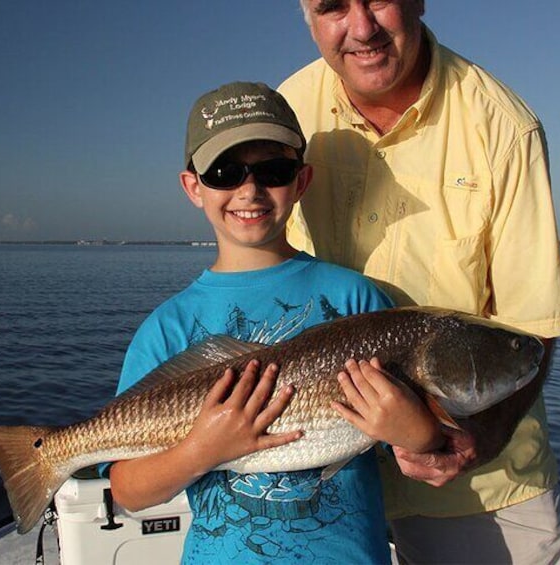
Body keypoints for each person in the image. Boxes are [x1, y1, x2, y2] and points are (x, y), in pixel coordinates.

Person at [278, 1, 560, 563]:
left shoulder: (504, 127)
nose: (362, 28)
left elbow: (533, 331)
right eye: (333, 7)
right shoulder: (288, 111)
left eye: (380, 0)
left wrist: (474, 443)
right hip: (319, 480)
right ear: (307, 16)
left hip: (479, 494)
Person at [107, 81, 442, 564]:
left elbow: (412, 448)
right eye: (224, 172)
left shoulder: (359, 299)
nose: (250, 189)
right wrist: (202, 449)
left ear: (301, 181)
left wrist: (422, 436)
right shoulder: (167, 327)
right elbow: (127, 490)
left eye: (274, 170)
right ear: (193, 187)